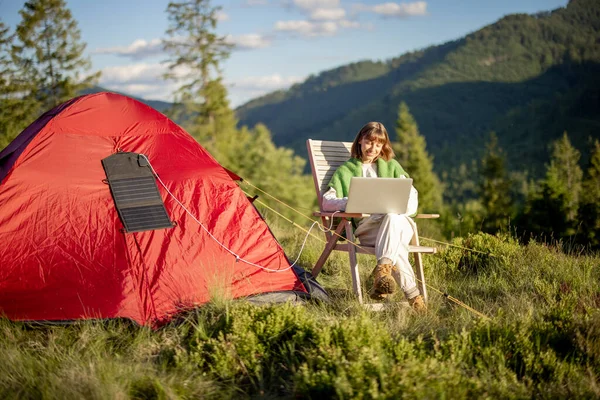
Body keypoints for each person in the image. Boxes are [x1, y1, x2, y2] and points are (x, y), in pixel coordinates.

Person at [322, 121, 426, 311]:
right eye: (369, 142)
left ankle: (386, 272)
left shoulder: (392, 166)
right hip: (369, 227)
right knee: (395, 239)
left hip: (400, 224)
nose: (373, 148)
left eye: (378, 144)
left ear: (383, 146)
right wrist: (353, 201)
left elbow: (412, 195)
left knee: (394, 217)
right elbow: (327, 201)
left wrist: (401, 208)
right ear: (360, 141)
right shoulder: (345, 171)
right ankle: (412, 296)